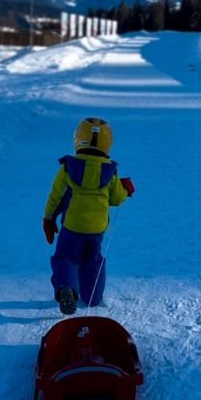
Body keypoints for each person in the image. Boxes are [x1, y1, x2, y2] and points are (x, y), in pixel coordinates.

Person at [42, 117, 134, 315]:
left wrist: (48, 218)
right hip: (96, 229)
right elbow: (116, 198)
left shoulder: (68, 168)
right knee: (93, 260)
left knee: (66, 258)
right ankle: (93, 297)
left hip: (72, 226)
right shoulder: (110, 172)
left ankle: (67, 288)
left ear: (78, 139)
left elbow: (55, 197)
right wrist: (125, 189)